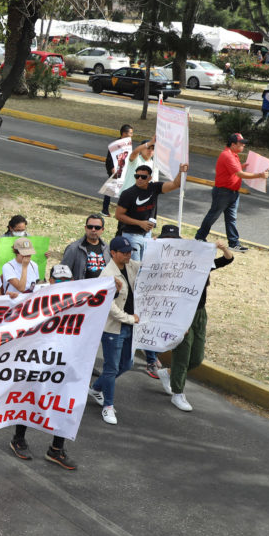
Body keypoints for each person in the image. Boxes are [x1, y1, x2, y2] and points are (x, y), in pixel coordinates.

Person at [156, 226, 234, 412]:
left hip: (199, 313)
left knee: (197, 358)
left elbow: (227, 261)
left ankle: (167, 373)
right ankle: (178, 393)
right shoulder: (164, 266)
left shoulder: (197, 263)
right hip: (180, 313)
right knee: (182, 355)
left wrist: (223, 248)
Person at [8, 264, 77, 469]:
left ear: (72, 281)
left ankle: (57, 449)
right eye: (59, 280)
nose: (62, 285)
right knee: (31, 397)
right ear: (51, 280)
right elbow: (18, 307)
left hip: (64, 358)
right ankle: (18, 438)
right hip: (37, 357)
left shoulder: (81, 297)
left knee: (65, 402)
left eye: (67, 281)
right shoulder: (38, 293)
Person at [90, 236, 139, 426]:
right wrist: (129, 319)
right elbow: (109, 306)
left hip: (130, 326)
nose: (129, 255)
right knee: (111, 368)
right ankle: (108, 406)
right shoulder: (107, 275)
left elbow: (149, 265)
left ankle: (96, 387)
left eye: (130, 252)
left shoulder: (130, 265)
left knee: (126, 364)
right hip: (114, 328)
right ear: (113, 253)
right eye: (125, 252)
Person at [195, 133, 267, 253]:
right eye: (241, 143)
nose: (243, 146)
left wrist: (243, 166)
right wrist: (259, 175)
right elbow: (239, 174)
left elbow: (235, 170)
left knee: (231, 218)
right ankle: (199, 237)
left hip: (232, 192)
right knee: (213, 215)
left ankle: (233, 243)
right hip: (223, 191)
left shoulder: (234, 155)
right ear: (233, 144)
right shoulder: (227, 155)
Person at [114, 162, 187, 261]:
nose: (139, 179)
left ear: (149, 178)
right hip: (131, 235)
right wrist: (140, 223)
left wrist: (180, 172)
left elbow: (175, 184)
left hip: (147, 235)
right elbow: (118, 215)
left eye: (143, 177)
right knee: (135, 267)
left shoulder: (154, 188)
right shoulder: (127, 194)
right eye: (137, 176)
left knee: (145, 265)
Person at [61, 214, 110, 280]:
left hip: (104, 288)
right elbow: (62, 273)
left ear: (102, 229)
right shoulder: (73, 248)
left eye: (97, 228)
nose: (93, 230)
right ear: (85, 228)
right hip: (82, 288)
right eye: (90, 227)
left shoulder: (108, 249)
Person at [102, 124, 133, 216]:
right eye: (130, 133)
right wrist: (113, 171)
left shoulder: (127, 143)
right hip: (116, 171)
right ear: (124, 133)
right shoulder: (116, 144)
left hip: (124, 170)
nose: (132, 135)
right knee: (110, 190)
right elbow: (110, 159)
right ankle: (105, 210)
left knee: (123, 190)